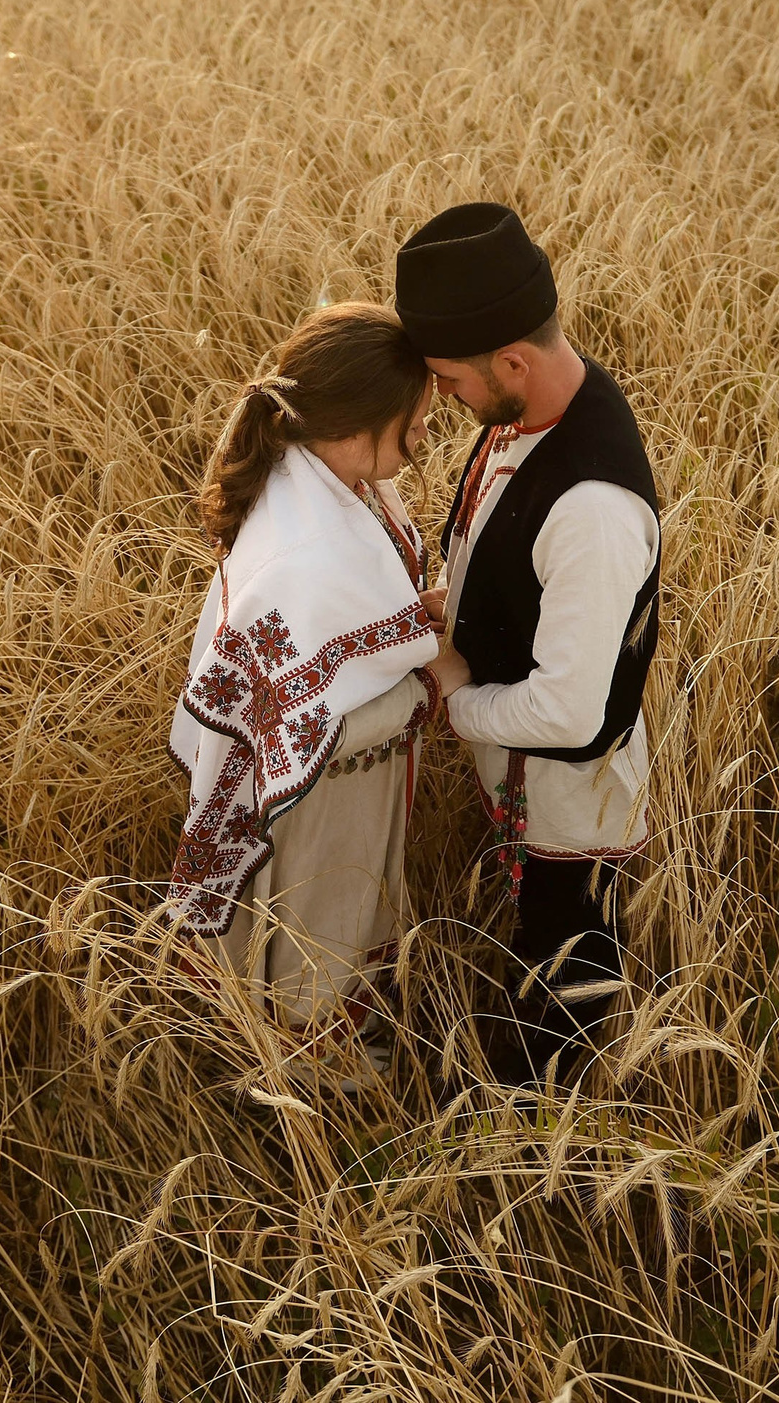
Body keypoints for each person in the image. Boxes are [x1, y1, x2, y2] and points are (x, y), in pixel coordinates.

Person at [399, 203, 661, 1089]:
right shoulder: (529, 408)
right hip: (520, 776)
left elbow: (568, 710)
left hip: (570, 804)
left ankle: (540, 1137)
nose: (441, 398)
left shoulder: (593, 509)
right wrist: (454, 607)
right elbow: (512, 554)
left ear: (511, 361)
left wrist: (452, 699)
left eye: (449, 380)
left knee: (560, 999)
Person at [164, 302, 446, 1059]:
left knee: (335, 946)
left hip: (348, 791)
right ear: (357, 423)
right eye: (415, 418)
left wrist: (409, 620)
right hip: (321, 808)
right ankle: (321, 1111)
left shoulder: (326, 480)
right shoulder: (307, 550)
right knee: (318, 960)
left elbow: (330, 643)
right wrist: (430, 681)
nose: (425, 432)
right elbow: (296, 727)